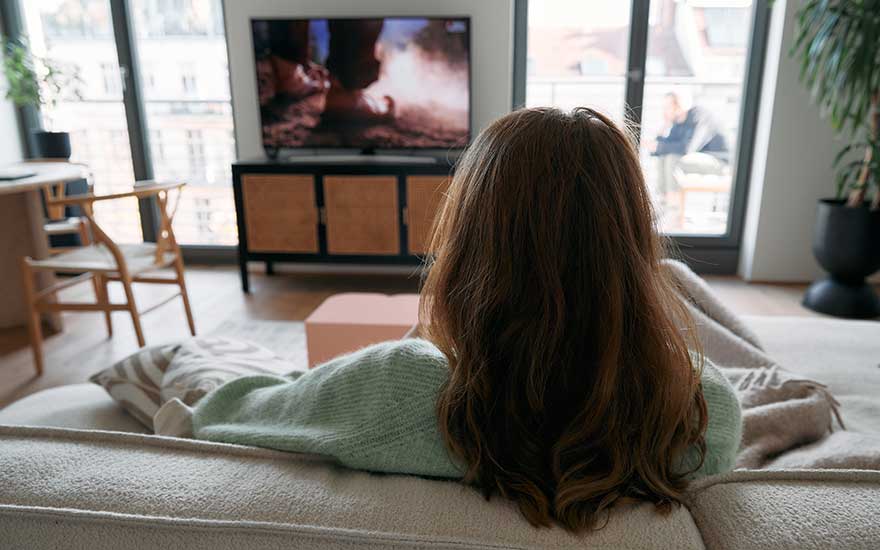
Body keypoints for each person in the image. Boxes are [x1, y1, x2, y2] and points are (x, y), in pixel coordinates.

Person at [181, 108, 742, 531]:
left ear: (470, 244)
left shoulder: (401, 387)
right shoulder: (705, 410)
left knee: (192, 356)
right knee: (680, 282)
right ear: (633, 242)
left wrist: (427, 338)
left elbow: (222, 413)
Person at [649, 93, 730, 202]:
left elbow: (688, 148)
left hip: (718, 161)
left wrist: (659, 146)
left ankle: (673, 202)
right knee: (663, 157)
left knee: (672, 158)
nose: (664, 111)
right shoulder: (678, 123)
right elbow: (661, 148)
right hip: (698, 158)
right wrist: (664, 126)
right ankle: (663, 199)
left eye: (668, 107)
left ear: (679, 106)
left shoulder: (700, 116)